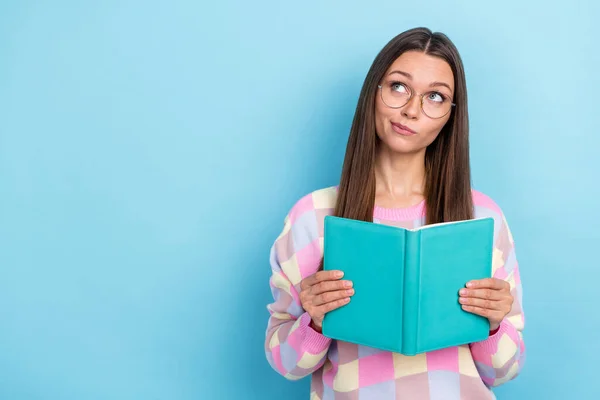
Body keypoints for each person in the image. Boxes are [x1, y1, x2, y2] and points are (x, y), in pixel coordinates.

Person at [264, 27, 525, 399]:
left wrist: (496, 325)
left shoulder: (481, 217)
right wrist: (315, 322)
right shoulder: (313, 216)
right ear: (375, 91)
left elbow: (503, 371)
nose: (412, 110)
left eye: (435, 97)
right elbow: (285, 364)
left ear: (450, 116)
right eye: (399, 87)